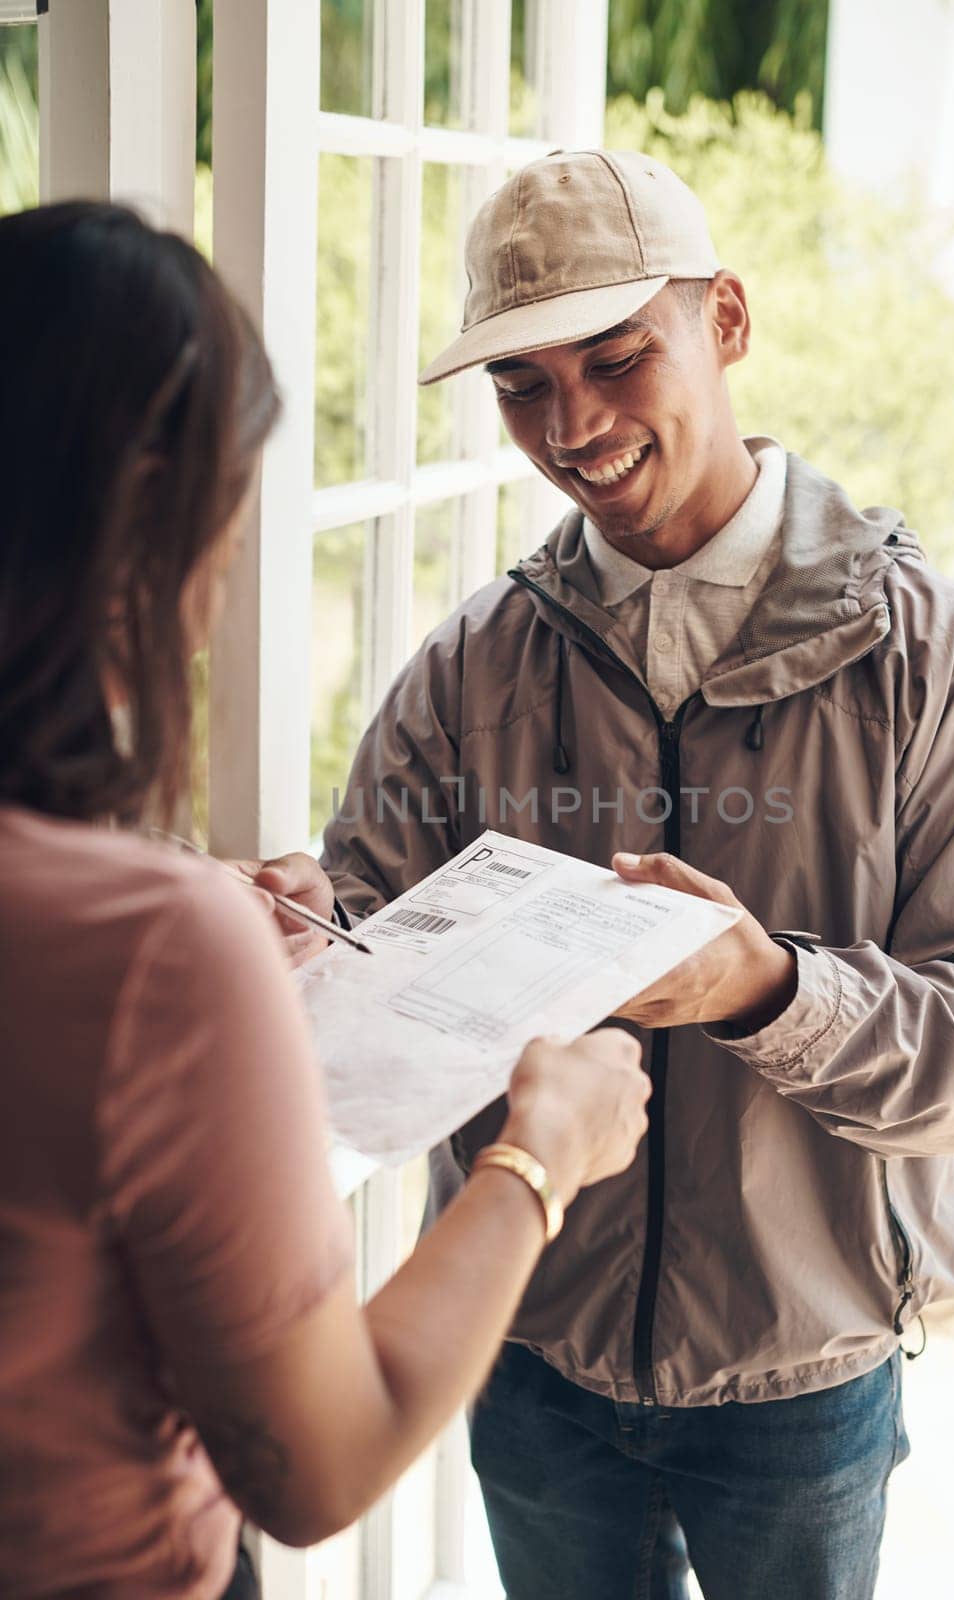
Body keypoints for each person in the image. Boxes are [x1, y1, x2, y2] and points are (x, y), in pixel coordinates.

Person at [253, 152, 954, 1599]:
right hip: (526, 1350)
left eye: (614, 356)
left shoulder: (938, 659)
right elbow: (377, 953)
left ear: (724, 320)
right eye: (520, 384)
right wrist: (299, 936)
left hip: (800, 1378)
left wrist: (766, 988)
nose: (570, 425)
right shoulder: (472, 664)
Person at [0, 201, 651, 1600]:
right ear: (144, 522)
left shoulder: (141, 929)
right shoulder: (147, 953)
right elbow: (313, 1469)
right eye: (222, 545)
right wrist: (538, 1153)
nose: (213, 601)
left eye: (615, 359)